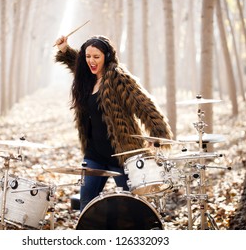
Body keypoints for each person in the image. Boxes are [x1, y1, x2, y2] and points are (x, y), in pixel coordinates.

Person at [54, 35, 173, 211]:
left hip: (123, 157)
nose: (91, 61)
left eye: (96, 57)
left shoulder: (118, 78)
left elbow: (145, 106)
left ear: (107, 57)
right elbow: (77, 64)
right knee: (86, 207)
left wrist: (158, 134)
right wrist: (65, 49)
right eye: (88, 56)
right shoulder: (87, 77)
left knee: (133, 209)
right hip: (94, 157)